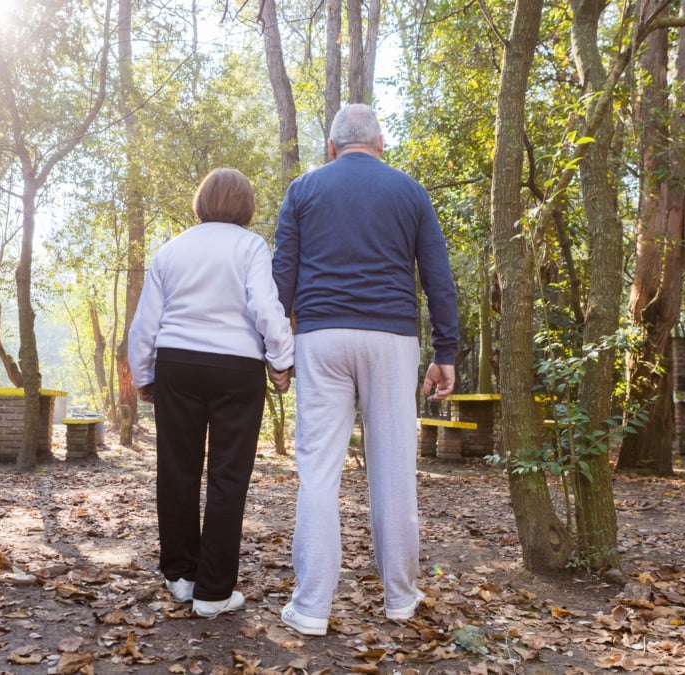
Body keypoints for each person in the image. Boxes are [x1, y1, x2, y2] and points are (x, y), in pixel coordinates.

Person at [272, 104, 459, 636]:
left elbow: (281, 274)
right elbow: (438, 278)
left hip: (320, 338)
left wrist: (277, 352)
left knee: (318, 472)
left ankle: (310, 607)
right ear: (381, 145)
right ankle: (400, 597)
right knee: (394, 468)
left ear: (331, 148)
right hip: (392, 338)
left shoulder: (303, 190)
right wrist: (446, 352)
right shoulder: (410, 191)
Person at [128, 167, 295, 618]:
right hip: (236, 368)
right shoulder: (251, 246)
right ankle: (213, 592)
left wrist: (143, 374)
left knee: (177, 470)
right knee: (228, 475)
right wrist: (281, 360)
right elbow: (266, 305)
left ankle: (180, 576)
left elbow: (146, 322)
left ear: (201, 202)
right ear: (246, 206)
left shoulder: (172, 249)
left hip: (178, 365)